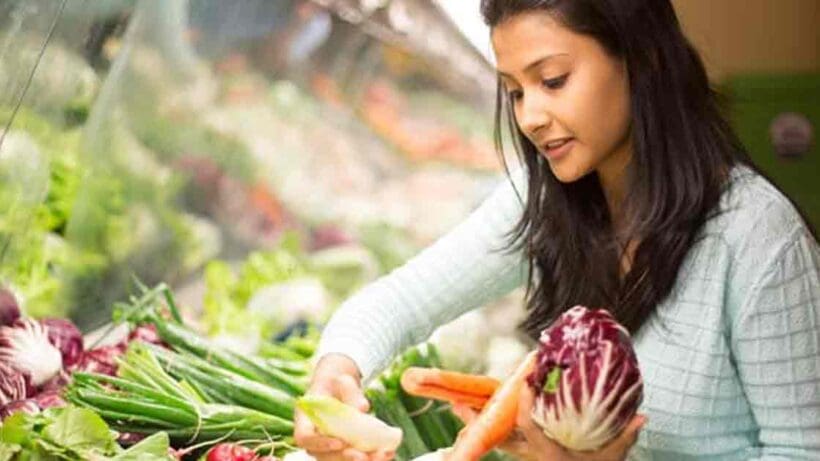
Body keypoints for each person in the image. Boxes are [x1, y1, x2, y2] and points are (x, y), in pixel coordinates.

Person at [294, 0, 820, 460]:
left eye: (552, 81)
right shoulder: (549, 197)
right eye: (515, 91)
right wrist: (337, 371)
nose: (530, 117)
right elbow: (399, 300)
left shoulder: (757, 238)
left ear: (644, 59)